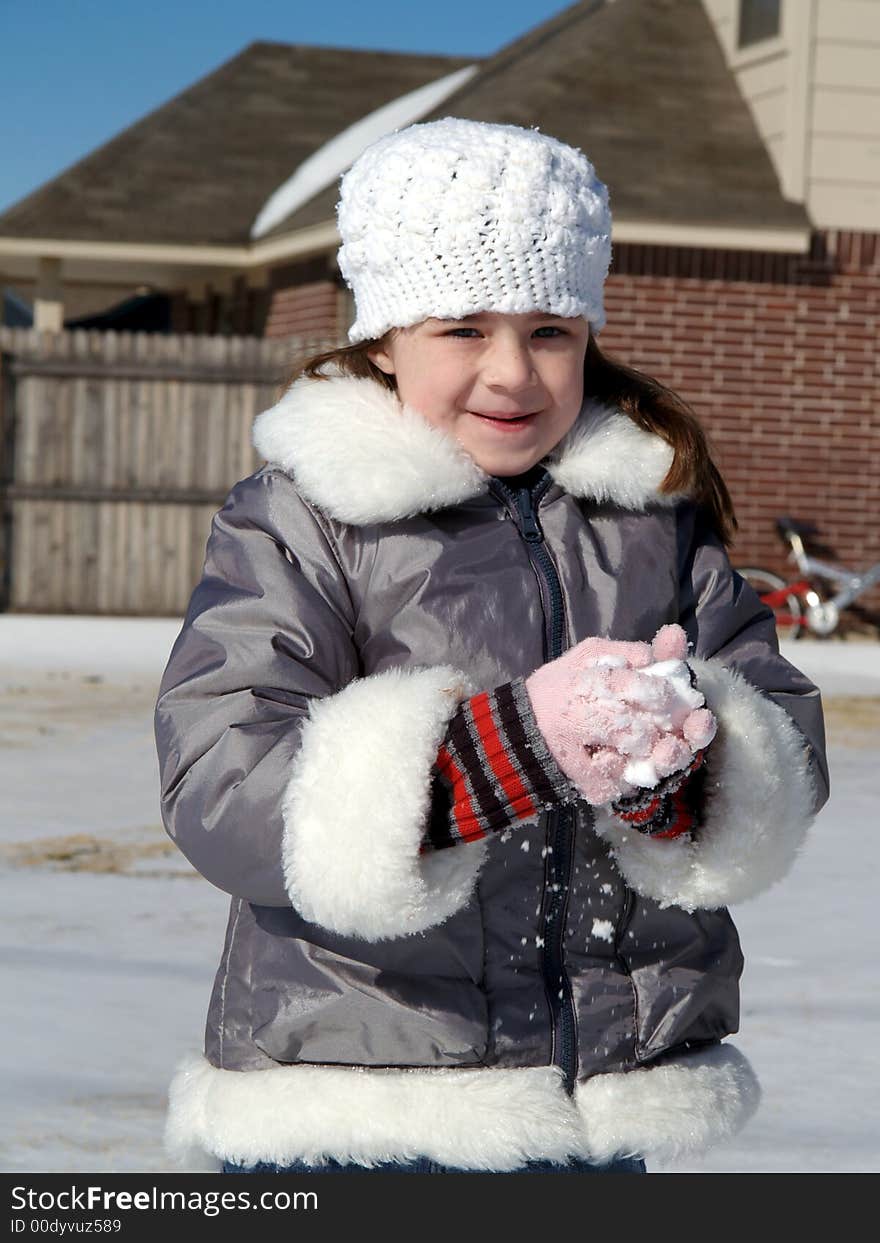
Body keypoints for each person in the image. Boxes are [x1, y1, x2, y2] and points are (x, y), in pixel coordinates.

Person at [154, 117, 829, 1175]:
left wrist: (675, 764)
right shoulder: (307, 518)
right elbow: (220, 779)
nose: (513, 371)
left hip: (603, 1096)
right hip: (363, 1100)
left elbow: (774, 714)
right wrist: (505, 749)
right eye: (462, 328)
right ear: (385, 338)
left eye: (551, 330)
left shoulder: (647, 515)